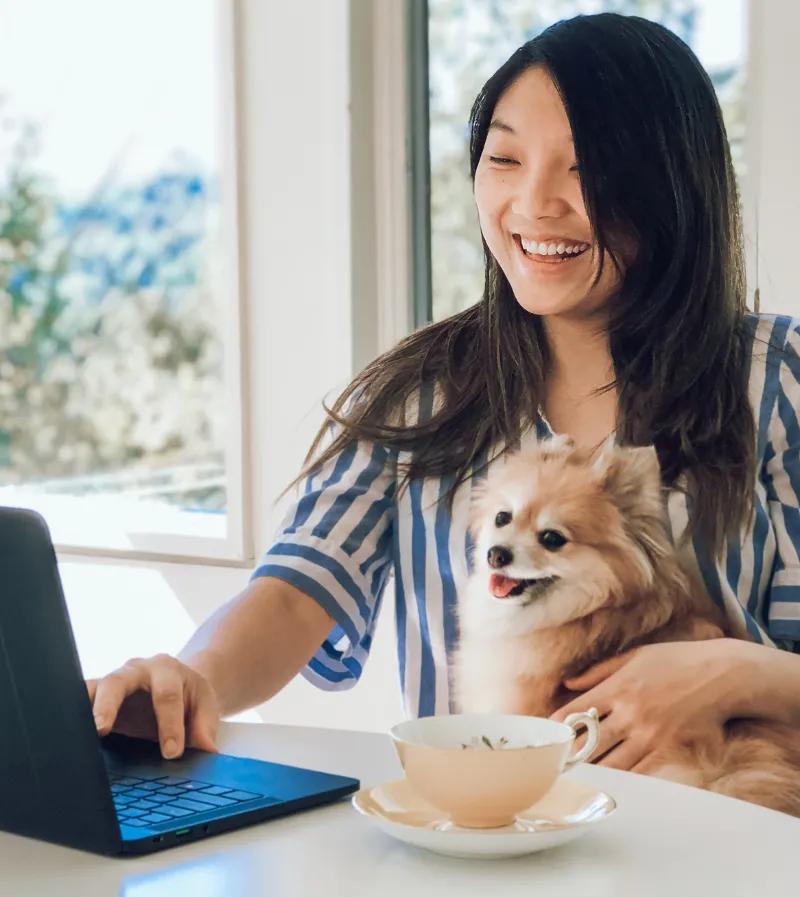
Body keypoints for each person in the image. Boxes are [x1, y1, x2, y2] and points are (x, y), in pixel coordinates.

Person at [88, 12, 800, 774]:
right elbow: (295, 591)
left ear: (672, 185)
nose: (535, 202)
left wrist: (732, 673)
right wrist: (190, 679)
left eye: (584, 168)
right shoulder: (424, 390)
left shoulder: (773, 374)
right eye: (504, 158)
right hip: (480, 845)